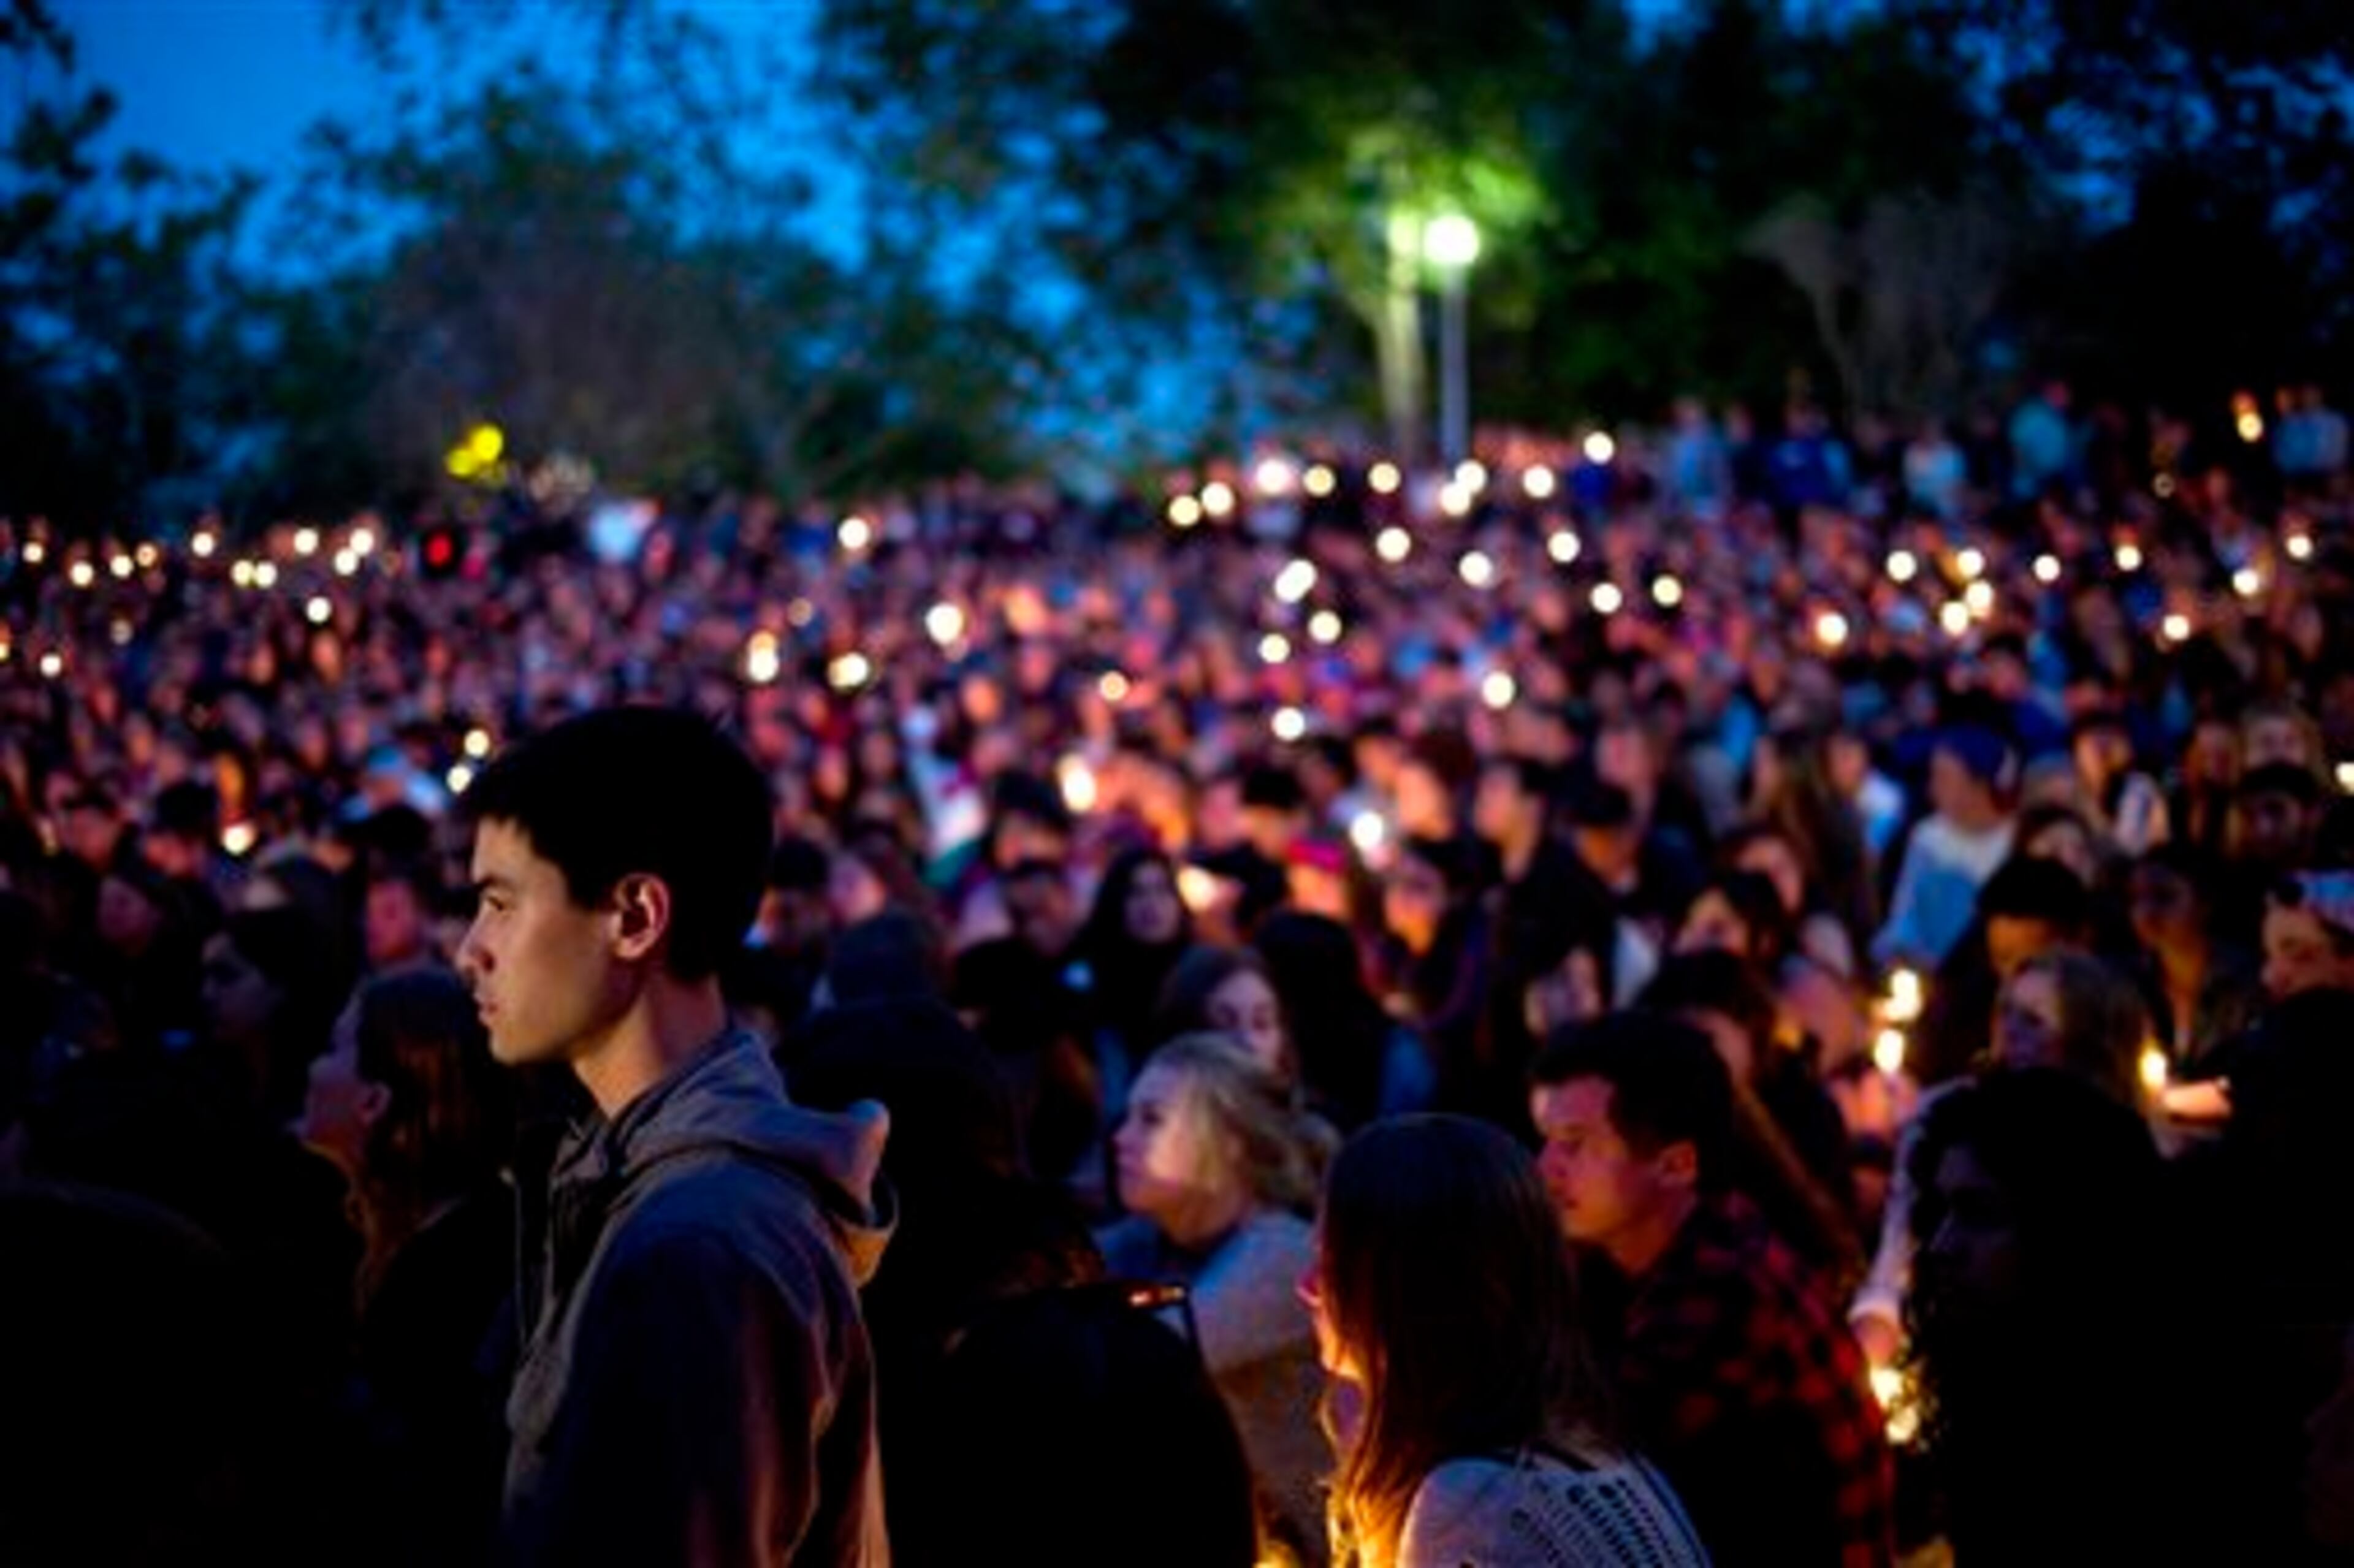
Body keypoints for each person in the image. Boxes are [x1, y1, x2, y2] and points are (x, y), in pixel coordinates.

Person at [455, 706, 894, 1566]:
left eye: (501, 903)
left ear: (635, 916)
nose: (472, 949)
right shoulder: (630, 1179)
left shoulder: (700, 1249)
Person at [1529, 1013, 1892, 1566]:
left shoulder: (1728, 1284)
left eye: (1574, 1144)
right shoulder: (1627, 1252)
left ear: (1676, 1164)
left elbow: (1578, 1455)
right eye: (1547, 1140)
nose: (1545, 1167)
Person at [1305, 1116, 1708, 1568]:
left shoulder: (1475, 1506)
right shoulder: (1577, 1443)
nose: (1307, 1286)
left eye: (1333, 1264)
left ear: (1411, 1290)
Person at [297, 965, 516, 1566]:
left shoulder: (446, 1286)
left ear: (374, 1101)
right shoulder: (375, 1233)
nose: (314, 1068)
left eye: (333, 1048)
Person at [1097, 1032, 1331, 1563]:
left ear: (1228, 1139)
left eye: (1151, 1120)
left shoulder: (1282, 1258)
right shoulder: (1147, 1238)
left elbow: (1138, 1364)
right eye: (1128, 1115)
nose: (1121, 1137)